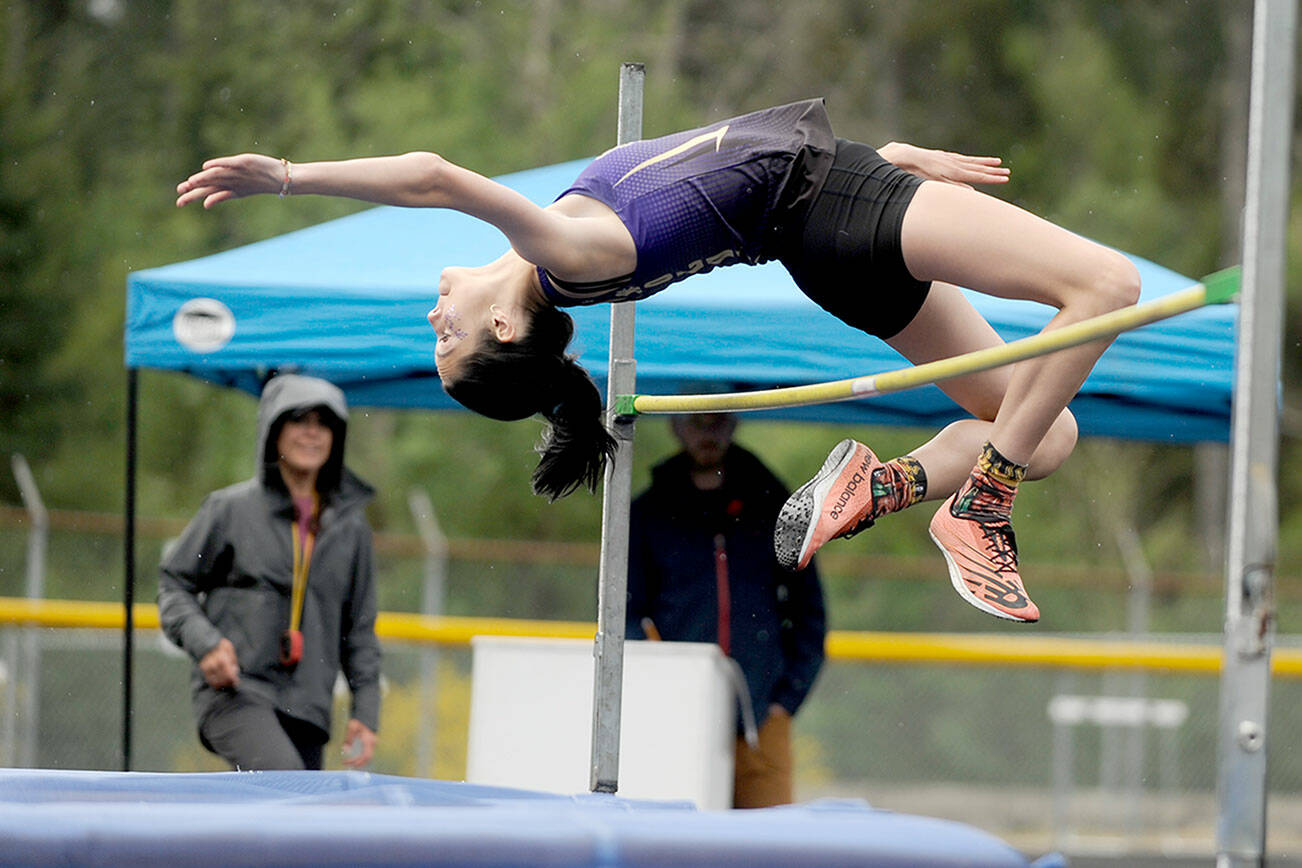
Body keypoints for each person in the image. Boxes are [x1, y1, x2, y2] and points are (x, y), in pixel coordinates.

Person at [175, 98, 1141, 623]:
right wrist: (291, 177)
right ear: (506, 332)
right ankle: (982, 507)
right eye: (445, 333)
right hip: (835, 210)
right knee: (1105, 288)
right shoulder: (562, 252)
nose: (434, 311)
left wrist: (881, 158)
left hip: (832, 225)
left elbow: (717, 173)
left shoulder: (566, 243)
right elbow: (434, 178)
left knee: (1045, 427)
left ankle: (887, 487)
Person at [158, 373, 381, 771]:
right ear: (274, 431)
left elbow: (359, 629)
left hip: (309, 707)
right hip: (237, 693)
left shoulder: (350, 527)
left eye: (323, 423)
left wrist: (366, 710)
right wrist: (205, 643)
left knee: (295, 823)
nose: (312, 433)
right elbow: (174, 584)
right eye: (299, 420)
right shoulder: (229, 510)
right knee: (287, 790)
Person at [627, 413, 825, 808]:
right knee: (678, 836)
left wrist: (785, 701)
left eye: (717, 422)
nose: (707, 433)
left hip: (761, 715)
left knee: (766, 843)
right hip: (677, 719)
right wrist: (659, 684)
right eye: (696, 422)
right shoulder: (648, 513)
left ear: (733, 425)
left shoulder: (776, 507)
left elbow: (810, 612)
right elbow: (626, 612)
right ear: (675, 427)